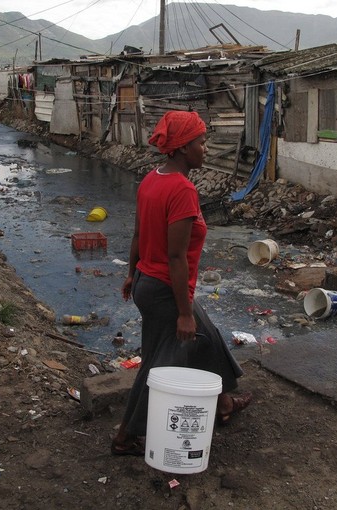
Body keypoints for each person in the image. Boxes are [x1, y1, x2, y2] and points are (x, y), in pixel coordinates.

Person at [111, 110, 251, 456]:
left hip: (149, 281)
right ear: (182, 148)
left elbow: (139, 235)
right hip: (165, 289)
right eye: (201, 143)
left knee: (208, 337)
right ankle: (125, 436)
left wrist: (132, 274)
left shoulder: (151, 180)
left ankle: (224, 403)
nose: (205, 148)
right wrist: (183, 313)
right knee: (160, 363)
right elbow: (176, 258)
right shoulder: (183, 190)